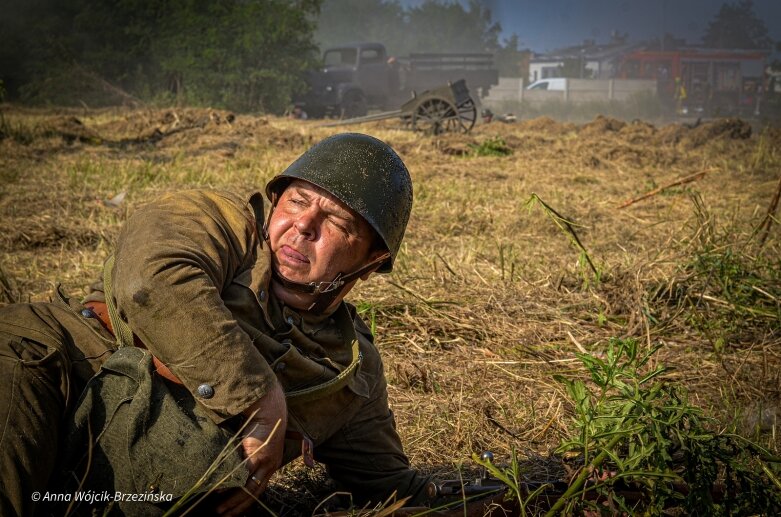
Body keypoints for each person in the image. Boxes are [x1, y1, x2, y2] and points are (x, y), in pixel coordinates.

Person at [0, 133, 431, 516]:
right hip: (51, 360)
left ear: (372, 260)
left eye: (338, 222)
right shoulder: (220, 220)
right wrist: (261, 398)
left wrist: (477, 496)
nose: (303, 225)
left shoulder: (347, 366)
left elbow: (388, 482)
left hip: (128, 462)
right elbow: (151, 282)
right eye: (297, 201)